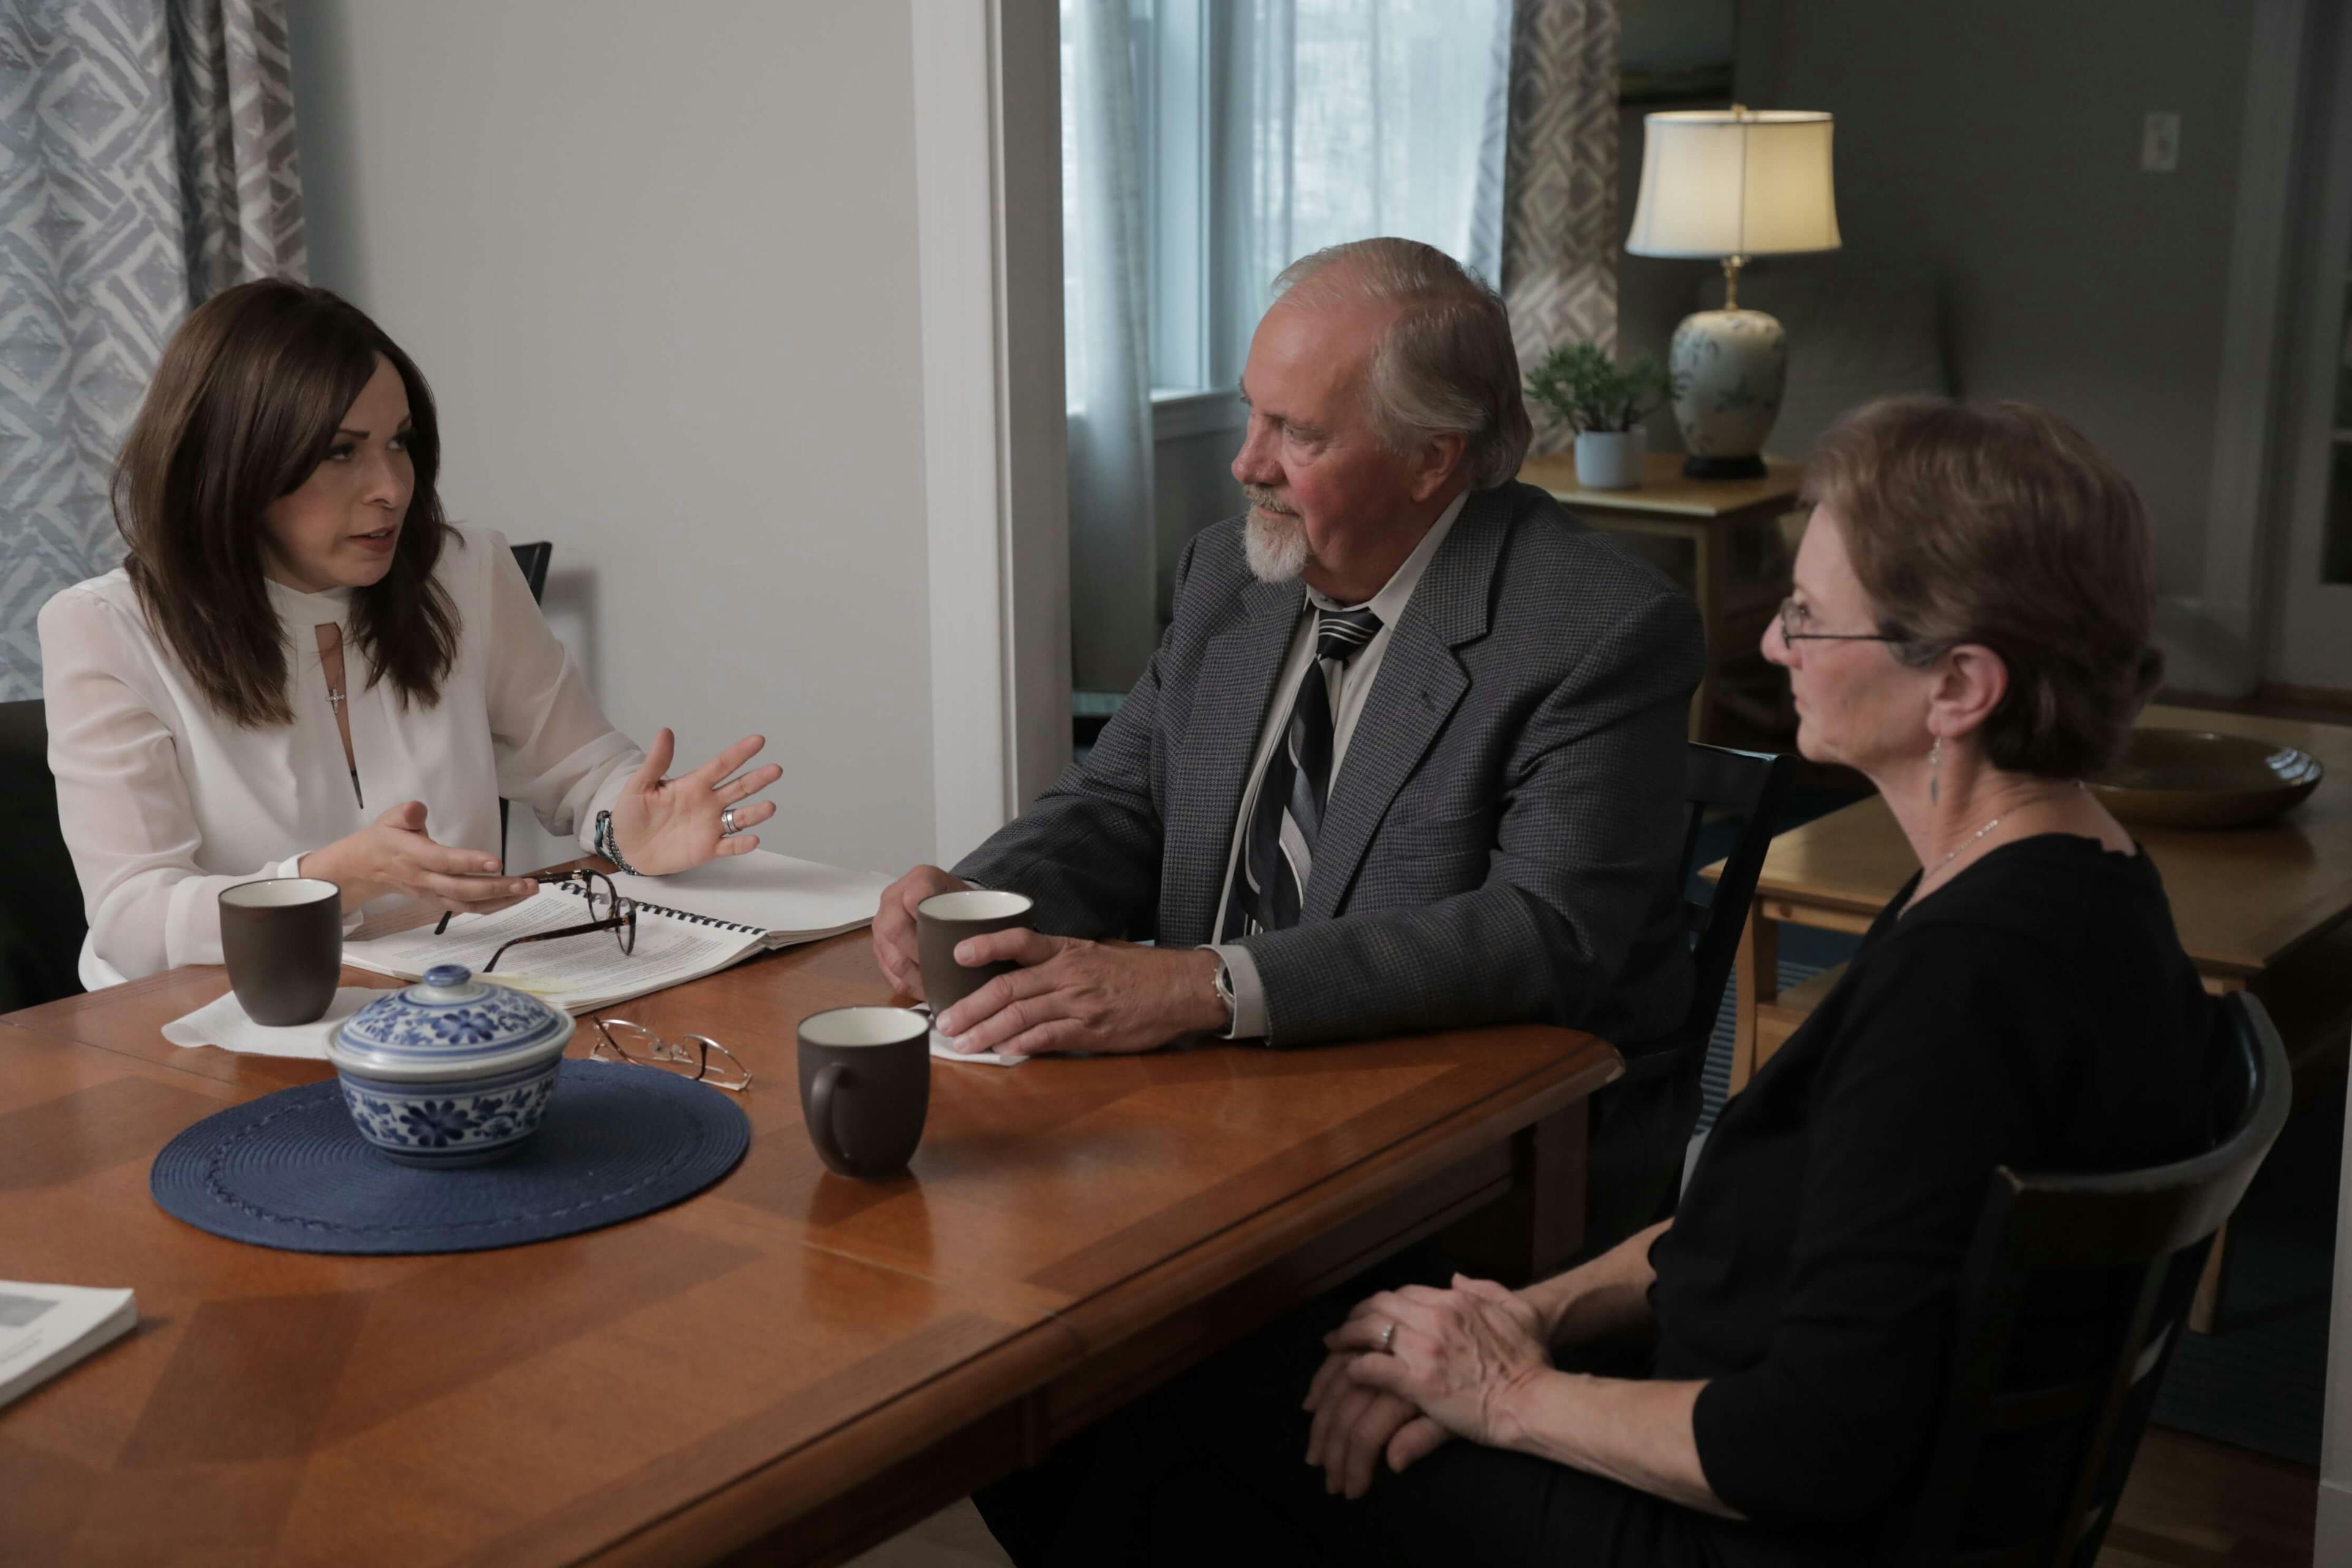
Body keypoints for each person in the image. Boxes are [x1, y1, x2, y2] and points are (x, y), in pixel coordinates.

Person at [981, 398, 2220, 1566]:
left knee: (1137, 1409)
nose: (1775, 641)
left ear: (1959, 686)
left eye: (1809, 615)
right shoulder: (2070, 877)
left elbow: (1808, 1445)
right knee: (1213, 1394)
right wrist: (1538, 1311)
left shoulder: (1971, 985)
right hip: (1713, 1429)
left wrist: (1505, 1395)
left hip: (1735, 1524)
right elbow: (1803, 1225)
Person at [873, 239, 1701, 1153]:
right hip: (1197, 1103)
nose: (1244, 463)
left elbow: (1546, 932)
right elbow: (1121, 802)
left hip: (1474, 1135)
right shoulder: (1230, 574)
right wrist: (978, 904)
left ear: (1431, 458)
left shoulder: (1597, 629)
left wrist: (1202, 987)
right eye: (1251, 415)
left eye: (1296, 433)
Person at [40, 279, 782, 987]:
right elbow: (131, 920)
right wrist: (334, 880)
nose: (391, 486)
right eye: (341, 451)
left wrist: (631, 825)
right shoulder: (106, 629)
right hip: (200, 1025)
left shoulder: (463, 571)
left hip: (448, 1000)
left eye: (399, 443)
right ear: (235, 463)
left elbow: (581, 769)